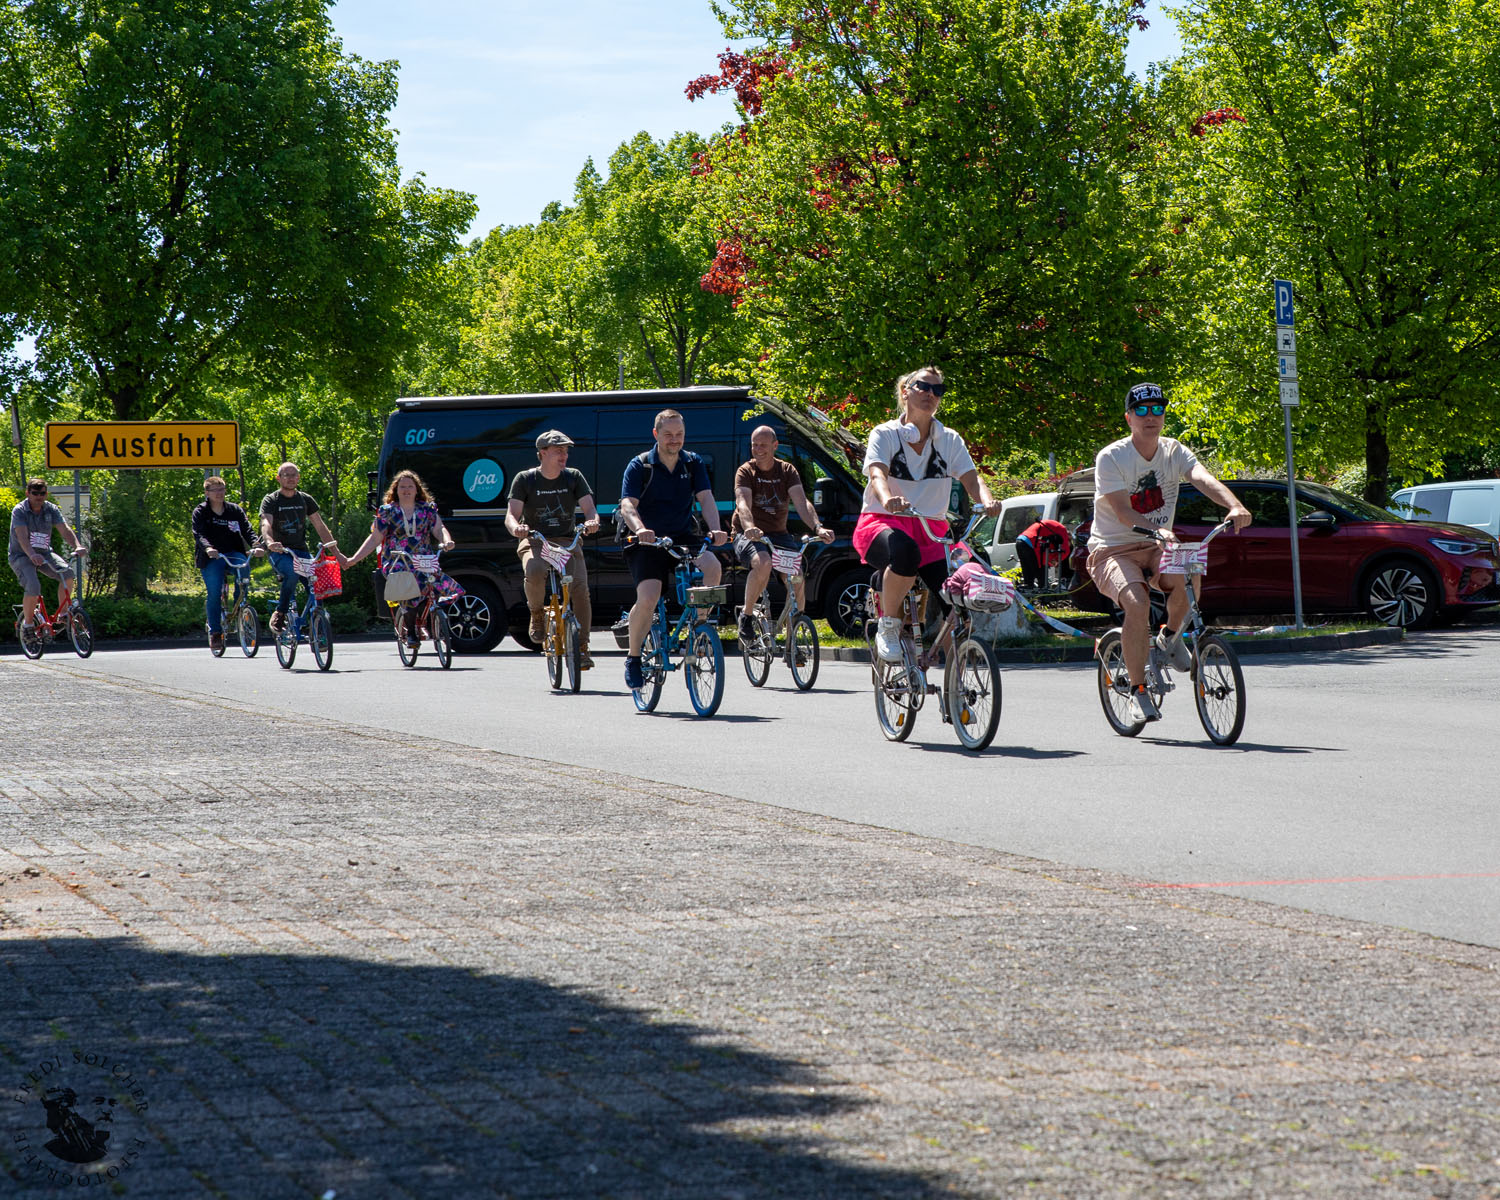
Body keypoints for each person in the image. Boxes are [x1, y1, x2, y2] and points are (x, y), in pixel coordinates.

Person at [1086, 382, 1251, 723]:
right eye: (1142, 410)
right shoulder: (1111, 457)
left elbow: (1202, 478)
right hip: (1112, 549)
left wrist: (1234, 505)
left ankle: (1169, 638)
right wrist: (1157, 529)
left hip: (1156, 545)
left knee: (1190, 573)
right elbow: (1123, 512)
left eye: (1158, 409)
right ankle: (1138, 691)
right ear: (1129, 417)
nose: (1151, 416)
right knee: (1137, 603)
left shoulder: (1174, 450)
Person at [855, 367, 1002, 662]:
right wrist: (887, 499)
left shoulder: (949, 439)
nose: (931, 394)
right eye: (923, 386)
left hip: (932, 531)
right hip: (883, 522)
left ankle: (956, 675)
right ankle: (888, 627)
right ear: (905, 392)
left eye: (938, 390)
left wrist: (988, 501)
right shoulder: (885, 433)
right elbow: (877, 474)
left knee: (958, 597)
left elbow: (973, 479)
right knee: (905, 552)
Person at [616, 409, 728, 690]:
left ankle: (699, 631)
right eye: (668, 434)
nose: (674, 440)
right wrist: (640, 529)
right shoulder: (640, 465)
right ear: (656, 434)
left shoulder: (693, 462)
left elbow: (706, 498)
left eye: (679, 434)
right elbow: (627, 505)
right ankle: (633, 657)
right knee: (649, 596)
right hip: (646, 541)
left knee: (713, 567)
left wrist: (715, 529)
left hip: (680, 536)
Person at [504, 430, 601, 668]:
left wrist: (592, 522)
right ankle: (537, 613)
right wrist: (517, 529)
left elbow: (590, 509)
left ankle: (582, 646)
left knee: (580, 589)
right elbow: (511, 515)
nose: (564, 455)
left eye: (565, 451)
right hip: (536, 540)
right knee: (535, 570)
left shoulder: (573, 477)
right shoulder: (525, 479)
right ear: (543, 453)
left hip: (567, 541)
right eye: (558, 451)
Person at [730, 425, 835, 636]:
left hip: (778, 534)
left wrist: (818, 527)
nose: (758, 449)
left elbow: (802, 502)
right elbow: (743, 504)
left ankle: (793, 638)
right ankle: (747, 616)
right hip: (748, 533)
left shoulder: (787, 471)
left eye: (763, 445)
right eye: (754, 445)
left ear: (775, 446)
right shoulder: (745, 471)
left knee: (797, 578)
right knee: (763, 562)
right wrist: (750, 527)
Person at [342, 470, 462, 645]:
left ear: (417, 489)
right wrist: (353, 559)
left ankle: (432, 617)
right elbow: (375, 538)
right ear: (396, 490)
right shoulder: (388, 512)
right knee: (408, 582)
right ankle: (411, 631)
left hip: (422, 558)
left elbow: (439, 529)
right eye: (402, 487)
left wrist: (447, 541)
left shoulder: (427, 510)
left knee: (440, 585)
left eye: (410, 486)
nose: (406, 490)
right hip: (397, 560)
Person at [259, 463, 340, 633]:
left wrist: (336, 553)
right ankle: (280, 613)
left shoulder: (305, 499)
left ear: (298, 478)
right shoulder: (271, 500)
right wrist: (270, 542)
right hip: (280, 552)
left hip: (301, 551)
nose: (290, 478)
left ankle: (318, 625)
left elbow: (320, 526)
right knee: (292, 573)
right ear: (278, 478)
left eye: (294, 475)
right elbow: (266, 523)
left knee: (316, 582)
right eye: (286, 475)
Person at [8, 478, 85, 632]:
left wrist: (77, 545)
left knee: (68, 574)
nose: (39, 497)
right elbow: (22, 537)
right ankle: (28, 626)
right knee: (34, 586)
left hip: (44, 553)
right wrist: (31, 555)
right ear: (28, 493)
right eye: (35, 493)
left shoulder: (51, 509)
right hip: (21, 555)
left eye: (42, 493)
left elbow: (64, 529)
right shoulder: (20, 511)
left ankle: (63, 615)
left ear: (46, 494)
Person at [192, 475, 254, 653]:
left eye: (222, 489)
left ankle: (241, 607)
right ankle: (215, 632)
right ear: (207, 492)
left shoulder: (234, 510)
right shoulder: (201, 511)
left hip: (233, 553)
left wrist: (256, 545)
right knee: (214, 593)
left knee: (244, 571)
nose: (219, 493)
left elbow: (247, 529)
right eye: (215, 490)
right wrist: (208, 548)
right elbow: (198, 534)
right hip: (212, 557)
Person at [1015, 517, 1070, 590]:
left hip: (1020, 540)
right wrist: (1056, 560)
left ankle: (1029, 587)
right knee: (1040, 568)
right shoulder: (1062, 531)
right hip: (1031, 541)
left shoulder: (1054, 530)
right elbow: (1065, 550)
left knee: (1027, 569)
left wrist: (1051, 561)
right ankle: (1043, 590)